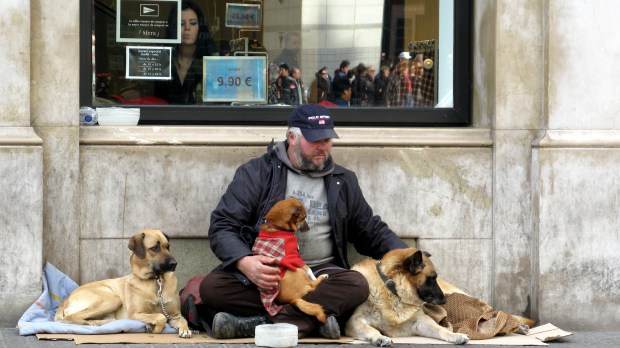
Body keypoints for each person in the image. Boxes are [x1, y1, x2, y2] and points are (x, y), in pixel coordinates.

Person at [199, 104, 407, 339]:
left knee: (357, 285)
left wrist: (408, 256)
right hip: (268, 271)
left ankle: (254, 325)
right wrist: (245, 262)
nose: (323, 147)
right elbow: (223, 224)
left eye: (327, 139)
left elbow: (370, 230)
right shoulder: (257, 172)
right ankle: (311, 322)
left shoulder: (343, 180)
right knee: (212, 287)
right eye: (315, 140)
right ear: (291, 137)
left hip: (318, 273)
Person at [154, 1, 216, 104]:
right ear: (174, 27)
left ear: (200, 26)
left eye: (193, 23)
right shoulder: (163, 60)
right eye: (181, 23)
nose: (187, 28)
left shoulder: (212, 61)